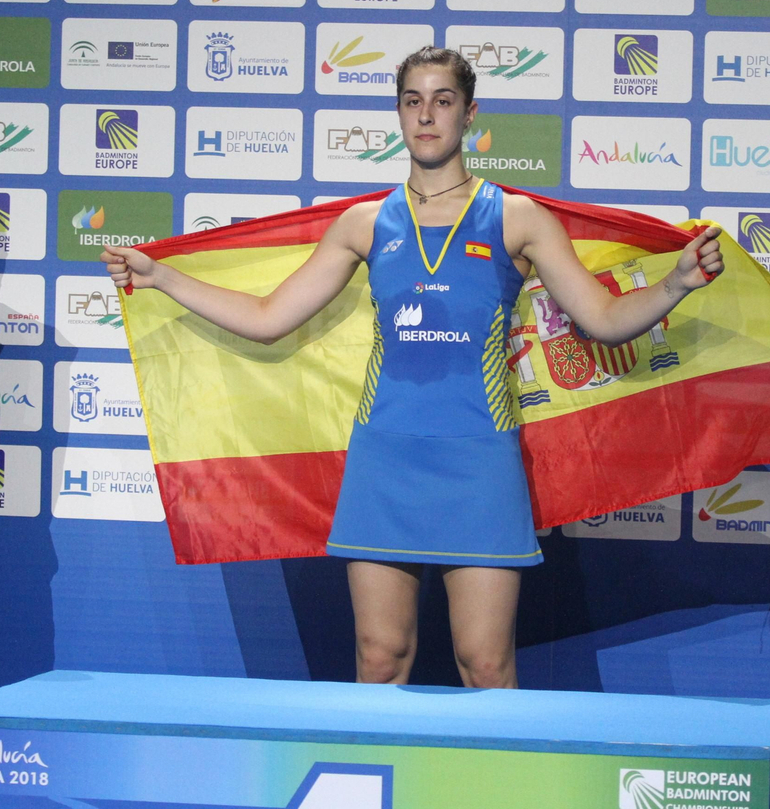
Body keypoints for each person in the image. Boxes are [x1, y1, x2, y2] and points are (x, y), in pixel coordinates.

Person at [104, 46, 723, 687]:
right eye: (412, 101)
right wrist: (162, 279)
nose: (427, 115)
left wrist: (676, 282)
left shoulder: (518, 219)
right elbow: (267, 318)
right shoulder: (364, 223)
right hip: (386, 463)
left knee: (485, 665)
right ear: (399, 114)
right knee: (380, 660)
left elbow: (602, 319)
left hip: (479, 462)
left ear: (470, 114)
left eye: (443, 100)